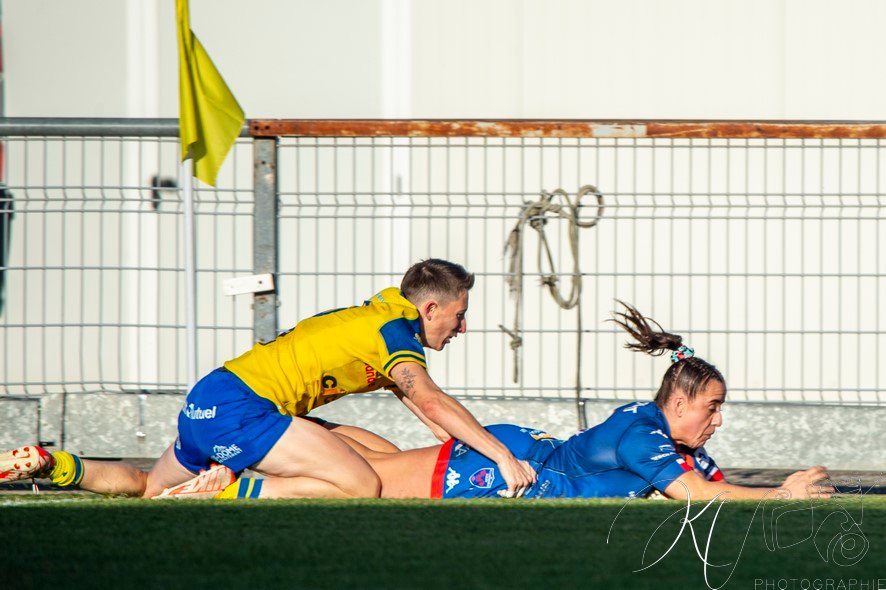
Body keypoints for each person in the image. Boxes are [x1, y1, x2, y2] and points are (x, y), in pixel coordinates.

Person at [0, 259, 536, 499]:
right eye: (460, 314)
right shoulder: (393, 330)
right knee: (361, 484)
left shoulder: (380, 318)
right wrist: (503, 457)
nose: (463, 326)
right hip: (247, 410)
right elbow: (432, 398)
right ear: (434, 305)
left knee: (146, 488)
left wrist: (464, 450)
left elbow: (421, 407)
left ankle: (55, 465)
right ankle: (232, 487)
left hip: (210, 398)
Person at [325, 302, 834, 501]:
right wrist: (780, 495)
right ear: (679, 403)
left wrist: (793, 489)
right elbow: (697, 497)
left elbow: (715, 488)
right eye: (713, 407)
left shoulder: (673, 439)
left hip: (531, 454)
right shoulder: (644, 437)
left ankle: (311, 433)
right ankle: (275, 457)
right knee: (371, 482)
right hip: (518, 469)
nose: (718, 420)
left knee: (380, 464)